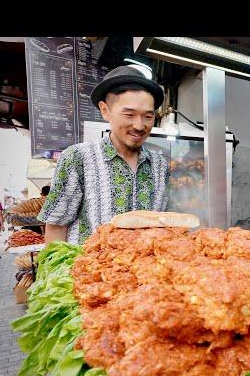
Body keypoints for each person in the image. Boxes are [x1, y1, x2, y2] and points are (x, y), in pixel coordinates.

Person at [38, 66, 169, 244]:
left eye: (148, 116)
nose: (139, 125)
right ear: (105, 110)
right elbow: (56, 227)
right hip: (91, 269)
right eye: (129, 114)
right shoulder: (77, 158)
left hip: (144, 270)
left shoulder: (160, 165)